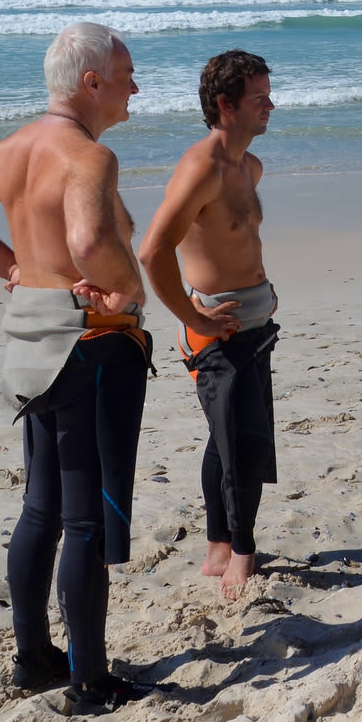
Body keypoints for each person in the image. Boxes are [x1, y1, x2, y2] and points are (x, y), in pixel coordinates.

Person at [0, 22, 155, 714]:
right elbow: (88, 240)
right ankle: (89, 682)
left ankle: (33, 658)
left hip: (31, 344)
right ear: (92, 82)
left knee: (41, 509)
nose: (134, 86)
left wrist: (17, 268)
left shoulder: (13, 149)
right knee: (84, 522)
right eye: (126, 74)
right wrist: (128, 289)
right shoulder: (87, 156)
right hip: (87, 349)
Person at [138, 51, 280, 600]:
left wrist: (263, 295)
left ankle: (219, 541)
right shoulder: (202, 167)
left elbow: (241, 244)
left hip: (254, 323)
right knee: (241, 444)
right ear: (225, 105)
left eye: (268, 95)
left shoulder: (251, 166)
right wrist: (191, 316)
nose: (271, 106)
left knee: (228, 441)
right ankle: (243, 550)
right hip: (216, 331)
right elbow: (153, 251)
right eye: (259, 98)